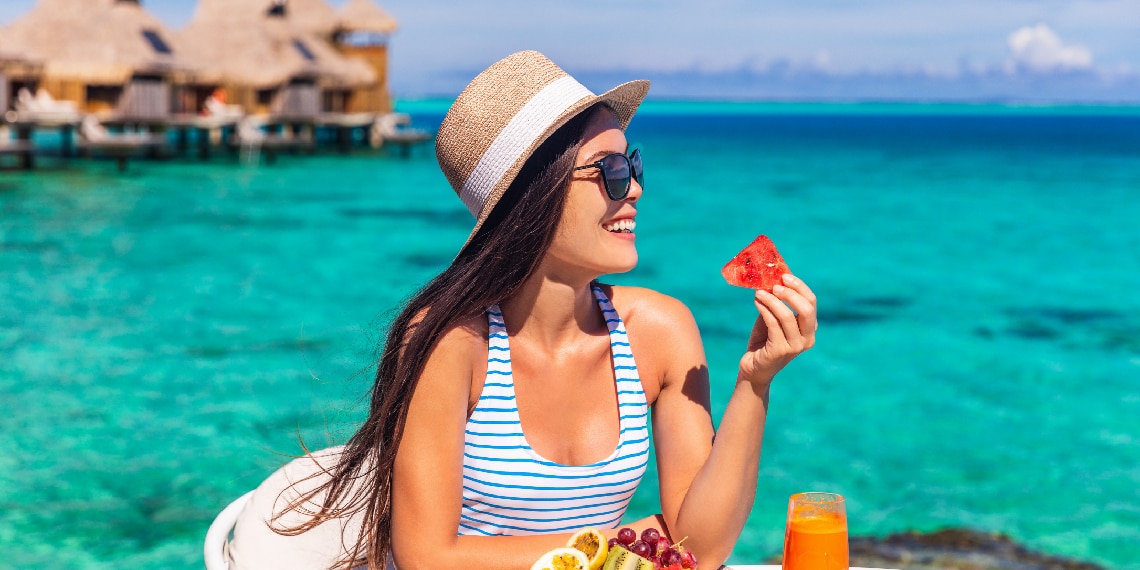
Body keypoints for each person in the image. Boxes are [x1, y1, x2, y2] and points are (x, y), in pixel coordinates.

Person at [226, 50, 817, 570]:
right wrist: (624, 545)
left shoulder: (661, 331)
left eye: (632, 165)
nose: (634, 189)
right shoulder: (448, 340)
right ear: (534, 197)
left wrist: (754, 381)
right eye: (610, 172)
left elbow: (701, 549)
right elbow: (428, 558)